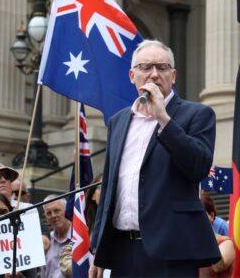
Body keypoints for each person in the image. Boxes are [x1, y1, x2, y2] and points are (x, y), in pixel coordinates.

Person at [90, 40, 219, 278]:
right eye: (145, 67)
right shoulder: (118, 121)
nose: (154, 74)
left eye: (162, 67)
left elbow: (199, 166)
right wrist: (98, 247)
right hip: (122, 249)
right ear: (132, 75)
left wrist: (164, 119)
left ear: (174, 75)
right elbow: (109, 186)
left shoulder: (197, 114)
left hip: (172, 250)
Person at [199, 193, 234, 278]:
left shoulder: (225, 242)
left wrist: (206, 236)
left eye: (200, 214)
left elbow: (218, 267)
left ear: (211, 216)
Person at [41, 195, 71, 278]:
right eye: (49, 213)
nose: (53, 215)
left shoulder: (79, 238)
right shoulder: (46, 242)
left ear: (66, 211)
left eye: (57, 211)